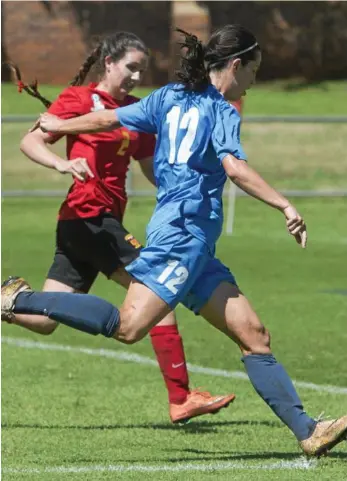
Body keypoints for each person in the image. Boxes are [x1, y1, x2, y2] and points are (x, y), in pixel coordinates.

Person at [3, 25, 347, 456]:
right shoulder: (221, 110)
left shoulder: (168, 97)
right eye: (254, 71)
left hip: (195, 244)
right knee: (129, 327)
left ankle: (308, 431)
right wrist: (285, 205)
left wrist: (62, 122)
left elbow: (110, 117)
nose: (255, 81)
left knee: (254, 335)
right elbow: (235, 169)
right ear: (235, 66)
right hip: (181, 237)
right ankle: (17, 300)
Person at [2, 32, 235, 424]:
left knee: (43, 322)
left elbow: (151, 167)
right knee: (158, 293)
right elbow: (31, 142)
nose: (135, 76)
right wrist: (63, 164)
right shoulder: (78, 101)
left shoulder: (134, 110)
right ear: (108, 63)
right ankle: (180, 397)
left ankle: (7, 299)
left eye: (141, 70)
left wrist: (183, 193)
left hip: (88, 223)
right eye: (130, 67)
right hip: (89, 215)